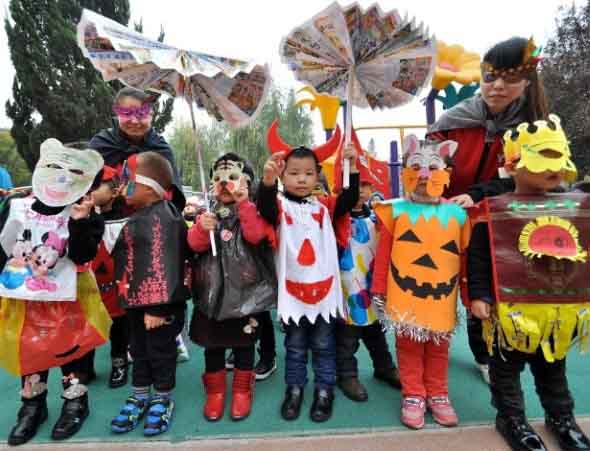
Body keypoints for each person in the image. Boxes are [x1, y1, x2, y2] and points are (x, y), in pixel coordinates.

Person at [429, 37, 548, 381]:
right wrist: (432, 184)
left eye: (510, 78)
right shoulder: (452, 120)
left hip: (499, 220)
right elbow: (426, 164)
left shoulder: (533, 129)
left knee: (486, 290)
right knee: (437, 281)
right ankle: (428, 348)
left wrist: (479, 194)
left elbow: (526, 178)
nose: (497, 85)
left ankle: (487, 356)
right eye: (490, 76)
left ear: (527, 81)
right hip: (448, 214)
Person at [468, 115, 590, 451]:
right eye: (543, 158)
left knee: (553, 368)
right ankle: (511, 418)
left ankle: (561, 418)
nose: (554, 168)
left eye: (557, 157)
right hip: (512, 314)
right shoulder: (495, 211)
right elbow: (478, 256)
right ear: (514, 164)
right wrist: (479, 294)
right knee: (506, 370)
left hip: (553, 313)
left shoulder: (574, 209)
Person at [0, 139, 108, 445]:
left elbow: (83, 254)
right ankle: (32, 405)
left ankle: (75, 402)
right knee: (30, 349)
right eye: (54, 167)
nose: (62, 177)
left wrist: (79, 221)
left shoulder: (85, 213)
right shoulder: (16, 206)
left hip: (69, 300)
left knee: (70, 351)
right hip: (25, 299)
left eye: (73, 170)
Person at [257, 122, 358, 423]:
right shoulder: (278, 207)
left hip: (324, 293)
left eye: (309, 173)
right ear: (283, 174)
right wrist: (266, 180)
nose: (302, 179)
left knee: (324, 345)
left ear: (318, 175)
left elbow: (350, 199)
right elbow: (263, 207)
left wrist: (352, 167)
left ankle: (325, 390)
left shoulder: (325, 207)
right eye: (294, 173)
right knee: (295, 346)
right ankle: (295, 389)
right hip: (294, 293)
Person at [371, 135, 470, 430]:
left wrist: (467, 292)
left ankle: (438, 393)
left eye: (433, 169)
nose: (425, 176)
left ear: (446, 174)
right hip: (405, 295)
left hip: (442, 297)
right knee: (408, 345)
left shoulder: (457, 214)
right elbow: (384, 254)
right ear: (406, 173)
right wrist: (378, 289)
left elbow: (463, 257)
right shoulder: (396, 212)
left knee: (439, 348)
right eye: (417, 167)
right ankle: (414, 393)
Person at [189, 152, 276, 421]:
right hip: (212, 297)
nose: (224, 183)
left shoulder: (253, 211)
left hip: (244, 296)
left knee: (243, 344)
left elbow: (255, 235)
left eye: (233, 178)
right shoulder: (207, 214)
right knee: (213, 345)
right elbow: (194, 245)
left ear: (247, 182)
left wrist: (245, 205)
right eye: (218, 178)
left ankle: (241, 390)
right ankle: (215, 393)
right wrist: (202, 229)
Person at [109, 152, 189, 436]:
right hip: (136, 302)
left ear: (147, 186)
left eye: (127, 180)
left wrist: (157, 308)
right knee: (138, 349)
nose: (121, 187)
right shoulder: (140, 216)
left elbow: (164, 262)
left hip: (158, 306)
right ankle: (140, 394)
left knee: (160, 351)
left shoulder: (164, 218)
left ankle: (162, 397)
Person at [335, 163, 401, 402]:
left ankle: (384, 367)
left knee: (376, 331)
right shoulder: (337, 218)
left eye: (366, 185)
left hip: (372, 285)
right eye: (357, 185)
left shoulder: (377, 218)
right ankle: (346, 374)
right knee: (347, 336)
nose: (361, 191)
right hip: (346, 287)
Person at [89, 86, 185, 210]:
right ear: (117, 114)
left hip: (147, 220)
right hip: (103, 221)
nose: (134, 121)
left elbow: (171, 196)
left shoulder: (161, 149)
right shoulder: (102, 143)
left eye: (141, 114)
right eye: (126, 113)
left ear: (151, 115)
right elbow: (82, 185)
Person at [91, 166, 129, 388]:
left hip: (116, 284)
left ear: (114, 191)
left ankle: (119, 361)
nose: (90, 190)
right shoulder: (81, 216)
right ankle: (83, 367)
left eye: (96, 186)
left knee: (119, 324)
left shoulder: (126, 220)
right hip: (89, 284)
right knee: (87, 322)